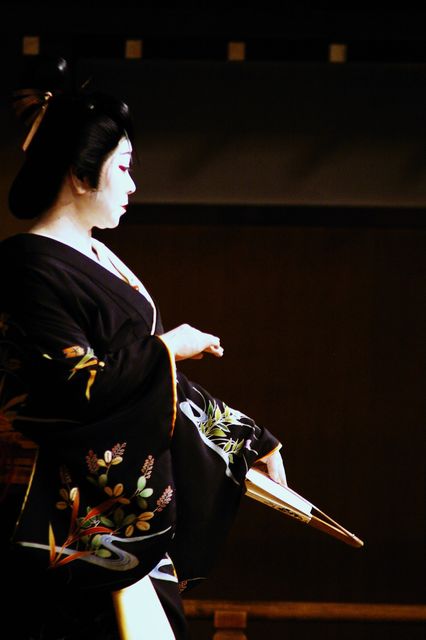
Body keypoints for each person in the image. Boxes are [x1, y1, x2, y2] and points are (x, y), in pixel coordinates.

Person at [0, 59, 286, 639]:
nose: (133, 186)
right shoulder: (29, 267)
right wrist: (167, 348)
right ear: (80, 176)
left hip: (113, 514)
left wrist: (245, 439)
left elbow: (146, 376)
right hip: (62, 514)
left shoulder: (97, 256)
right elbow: (76, 387)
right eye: (124, 169)